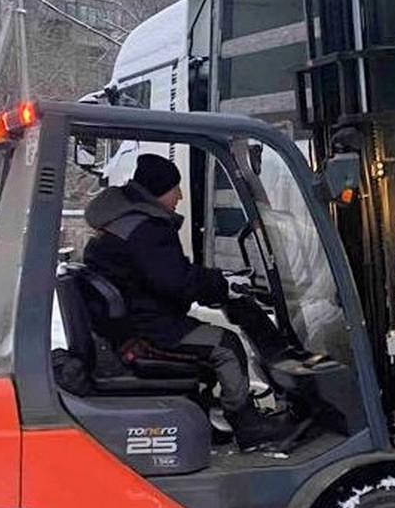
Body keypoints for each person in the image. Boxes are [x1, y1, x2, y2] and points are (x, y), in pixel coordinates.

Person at [83, 153, 300, 451]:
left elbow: (168, 275)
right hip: (149, 331)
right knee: (226, 346)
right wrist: (222, 285)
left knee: (208, 342)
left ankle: (206, 417)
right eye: (175, 189)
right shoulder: (146, 229)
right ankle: (248, 425)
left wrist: (216, 282)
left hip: (135, 322)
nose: (180, 196)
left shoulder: (123, 222)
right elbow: (176, 281)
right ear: (158, 189)